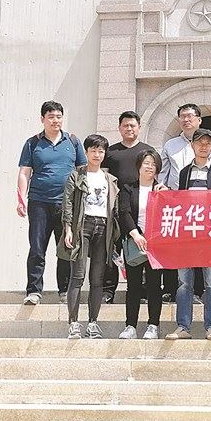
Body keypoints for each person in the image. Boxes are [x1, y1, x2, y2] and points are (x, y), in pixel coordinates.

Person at [17, 100, 87, 305]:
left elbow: (82, 171)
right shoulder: (33, 143)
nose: (55, 120)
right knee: (37, 248)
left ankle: (64, 291)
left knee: (65, 248)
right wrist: (21, 199)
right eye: (51, 117)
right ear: (42, 119)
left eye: (58, 116)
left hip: (67, 204)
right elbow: (24, 172)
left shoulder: (72, 141)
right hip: (39, 202)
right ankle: (34, 291)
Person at [57, 134, 119, 339]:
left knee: (97, 278)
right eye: (93, 150)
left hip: (103, 227)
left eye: (100, 151)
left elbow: (114, 209)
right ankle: (73, 323)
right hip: (82, 226)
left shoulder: (110, 179)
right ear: (86, 152)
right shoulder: (76, 175)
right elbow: (67, 203)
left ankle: (93, 323)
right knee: (77, 275)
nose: (97, 154)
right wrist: (68, 229)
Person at [158, 104, 211, 302]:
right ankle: (176, 292)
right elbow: (164, 175)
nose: (186, 120)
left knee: (207, 257)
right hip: (179, 209)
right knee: (181, 255)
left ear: (199, 119)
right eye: (182, 116)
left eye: (190, 116)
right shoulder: (170, 145)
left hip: (208, 213)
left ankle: (204, 294)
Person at [166, 128, 211, 340]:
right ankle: (183, 326)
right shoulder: (184, 173)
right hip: (187, 235)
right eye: (200, 142)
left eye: (208, 143)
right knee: (184, 283)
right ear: (192, 145)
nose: (203, 146)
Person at [102, 111, 155, 305]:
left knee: (142, 249)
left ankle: (143, 291)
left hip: (140, 210)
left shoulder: (148, 151)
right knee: (112, 249)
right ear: (119, 128)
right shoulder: (111, 152)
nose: (129, 129)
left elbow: (155, 177)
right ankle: (108, 290)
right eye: (125, 125)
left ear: (139, 127)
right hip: (114, 209)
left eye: (133, 125)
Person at [117, 150, 164, 340]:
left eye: (153, 164)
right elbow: (124, 212)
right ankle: (130, 326)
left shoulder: (161, 189)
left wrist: (166, 196)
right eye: (146, 163)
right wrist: (135, 234)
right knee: (133, 285)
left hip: (156, 244)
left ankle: (153, 325)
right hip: (135, 242)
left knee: (154, 285)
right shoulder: (128, 188)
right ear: (139, 166)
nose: (149, 167)